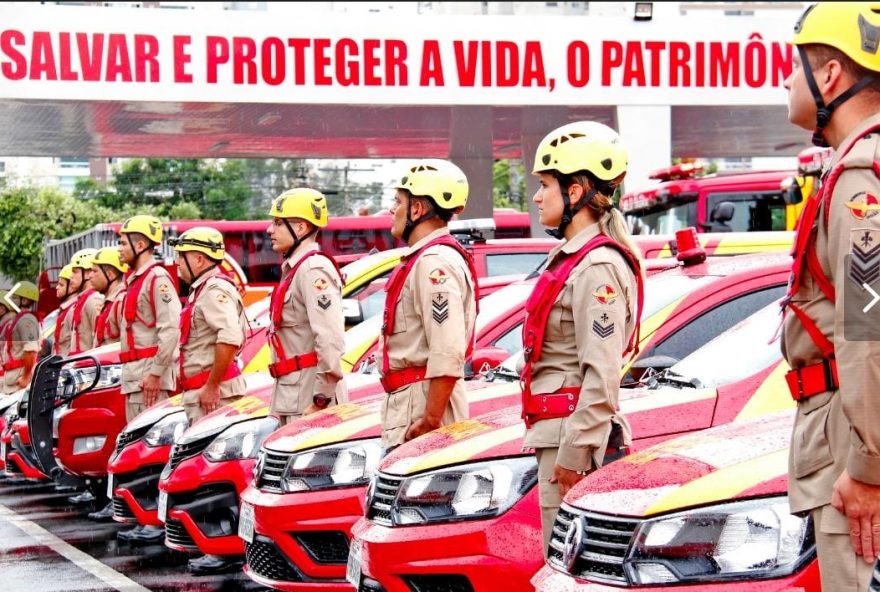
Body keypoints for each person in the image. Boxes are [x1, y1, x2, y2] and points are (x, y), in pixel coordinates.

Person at [781, 4, 880, 590]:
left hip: (854, 435)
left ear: (833, 74)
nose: (787, 84)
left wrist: (867, 466)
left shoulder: (860, 179)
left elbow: (867, 328)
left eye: (795, 69)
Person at [520, 121, 643, 552]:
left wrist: (574, 456)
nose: (537, 196)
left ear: (575, 192)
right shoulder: (575, 260)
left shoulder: (597, 267)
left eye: (545, 185)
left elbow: (602, 373)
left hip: (573, 443)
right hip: (559, 435)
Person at [377, 159, 478, 451]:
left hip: (423, 407)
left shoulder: (434, 262)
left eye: (398, 202)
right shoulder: (428, 258)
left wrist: (431, 419)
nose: (391, 210)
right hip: (415, 401)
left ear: (417, 209)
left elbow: (447, 349)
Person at [169, 226, 248, 575]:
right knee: (203, 472)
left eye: (181, 257)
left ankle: (226, 549)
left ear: (199, 258)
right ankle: (215, 544)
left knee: (216, 473)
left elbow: (229, 337)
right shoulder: (201, 290)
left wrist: (213, 385)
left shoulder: (214, 290)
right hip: (201, 396)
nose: (178, 265)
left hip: (213, 397)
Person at [116, 215, 180, 545]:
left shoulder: (157, 280)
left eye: (124, 242)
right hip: (136, 376)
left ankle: (156, 522)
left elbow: (171, 330)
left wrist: (156, 372)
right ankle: (146, 517)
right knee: (140, 453)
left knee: (154, 452)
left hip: (148, 376)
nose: (120, 248)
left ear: (141, 245)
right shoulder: (137, 279)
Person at [265, 188, 347, 426]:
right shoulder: (297, 269)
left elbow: (330, 338)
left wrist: (321, 398)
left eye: (278, 222)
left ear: (300, 228)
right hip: (296, 394)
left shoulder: (313, 270)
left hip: (311, 399)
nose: (270, 230)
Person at [0, 282, 41, 394]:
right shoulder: (19, 320)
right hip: (12, 380)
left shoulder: (26, 320)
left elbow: (31, 351)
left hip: (19, 382)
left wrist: (26, 377)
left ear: (24, 301)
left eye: (14, 297)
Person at [89, 247, 129, 348]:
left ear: (110, 275)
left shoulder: (121, 302)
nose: (90, 275)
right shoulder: (109, 303)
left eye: (95, 271)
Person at [68, 249, 104, 355]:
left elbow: (99, 338)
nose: (70, 276)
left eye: (75, 271)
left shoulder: (94, 300)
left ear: (88, 273)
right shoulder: (83, 300)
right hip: (80, 365)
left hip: (89, 366)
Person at [52, 264, 78, 357]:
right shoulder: (65, 310)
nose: (57, 287)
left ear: (72, 286)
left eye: (61, 284)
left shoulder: (73, 310)